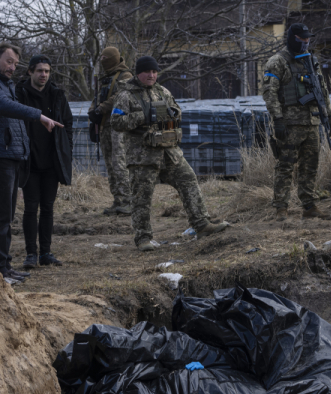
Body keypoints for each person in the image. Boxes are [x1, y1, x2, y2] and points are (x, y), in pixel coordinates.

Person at [110, 56, 228, 251]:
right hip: (142, 156)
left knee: (188, 179)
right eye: (147, 72)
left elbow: (177, 112)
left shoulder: (162, 91)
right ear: (138, 73)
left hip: (169, 152)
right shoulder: (125, 95)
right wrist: (144, 116)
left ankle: (201, 224)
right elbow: (116, 123)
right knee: (142, 197)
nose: (151, 75)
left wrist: (170, 114)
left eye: (155, 72)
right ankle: (143, 238)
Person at [0, 42, 63, 284]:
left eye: (15, 63)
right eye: (8, 61)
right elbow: (4, 107)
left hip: (10, 156)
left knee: (8, 215)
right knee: (0, 215)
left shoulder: (4, 83)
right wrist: (38, 115)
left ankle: (6, 267)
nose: (12, 67)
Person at [262, 23, 331, 221]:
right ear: (292, 38)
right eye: (301, 40)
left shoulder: (310, 61)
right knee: (285, 166)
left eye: (307, 40)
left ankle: (309, 206)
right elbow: (270, 93)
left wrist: (329, 114)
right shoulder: (278, 61)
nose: (305, 43)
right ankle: (281, 208)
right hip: (289, 124)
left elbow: (322, 89)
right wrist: (277, 119)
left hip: (312, 122)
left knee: (310, 165)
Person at [16, 55, 74, 269]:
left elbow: (67, 123)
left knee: (48, 207)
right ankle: (31, 253)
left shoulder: (57, 95)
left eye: (47, 71)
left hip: (52, 160)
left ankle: (46, 253)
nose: (43, 75)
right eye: (39, 70)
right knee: (31, 207)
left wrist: (66, 150)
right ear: (30, 72)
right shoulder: (19, 94)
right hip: (29, 159)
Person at [88, 47, 134, 216]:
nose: (103, 60)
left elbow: (120, 97)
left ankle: (127, 200)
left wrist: (100, 109)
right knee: (109, 163)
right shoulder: (105, 78)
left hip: (118, 126)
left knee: (119, 163)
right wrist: (93, 112)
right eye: (102, 57)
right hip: (104, 126)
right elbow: (97, 98)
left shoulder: (125, 76)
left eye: (106, 58)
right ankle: (117, 199)